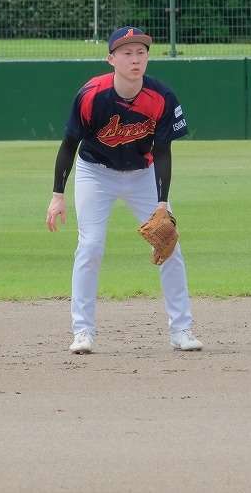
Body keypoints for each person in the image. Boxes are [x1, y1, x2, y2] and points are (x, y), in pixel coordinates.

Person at [45, 26, 203, 354]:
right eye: (127, 53)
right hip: (95, 173)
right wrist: (58, 194)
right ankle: (82, 332)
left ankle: (181, 330)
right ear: (111, 59)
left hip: (143, 174)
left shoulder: (161, 96)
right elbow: (69, 144)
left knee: (169, 245)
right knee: (90, 246)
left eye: (141, 52)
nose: (135, 59)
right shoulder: (91, 95)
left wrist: (162, 203)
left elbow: (163, 152)